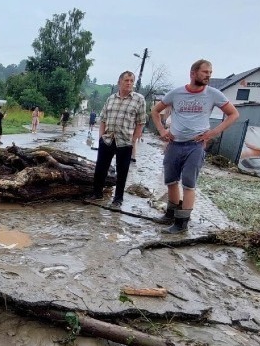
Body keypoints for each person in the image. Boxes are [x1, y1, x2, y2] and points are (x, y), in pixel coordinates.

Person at [150, 59, 240, 234]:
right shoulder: (176, 94)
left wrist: (212, 133)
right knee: (171, 181)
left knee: (189, 184)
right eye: (205, 72)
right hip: (174, 144)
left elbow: (233, 114)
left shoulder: (213, 94)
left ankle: (182, 223)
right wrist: (161, 130)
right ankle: (170, 214)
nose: (208, 75)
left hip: (195, 146)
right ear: (193, 73)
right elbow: (154, 111)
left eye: (210, 73)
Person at [90, 71, 146, 208]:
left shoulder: (139, 99)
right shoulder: (111, 99)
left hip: (125, 141)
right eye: (126, 80)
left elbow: (141, 122)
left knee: (122, 171)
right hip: (108, 139)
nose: (129, 83)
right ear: (119, 82)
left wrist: (133, 140)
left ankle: (118, 199)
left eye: (131, 81)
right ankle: (97, 193)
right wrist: (101, 138)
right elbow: (103, 119)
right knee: (101, 168)